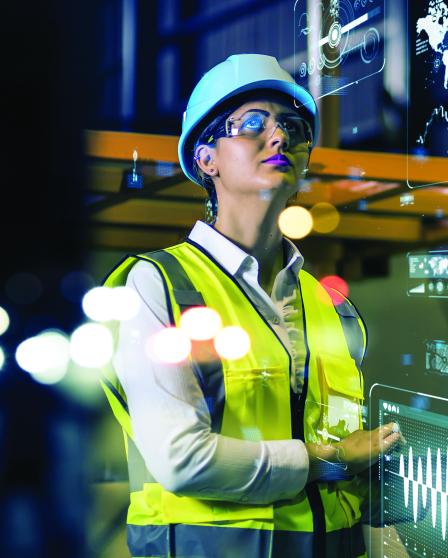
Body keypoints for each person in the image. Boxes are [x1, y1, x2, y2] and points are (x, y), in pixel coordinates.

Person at [99, 53, 401, 557]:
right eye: (254, 124)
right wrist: (330, 459)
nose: (279, 137)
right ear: (206, 158)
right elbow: (182, 459)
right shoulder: (158, 286)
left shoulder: (329, 305)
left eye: (294, 128)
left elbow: (348, 476)